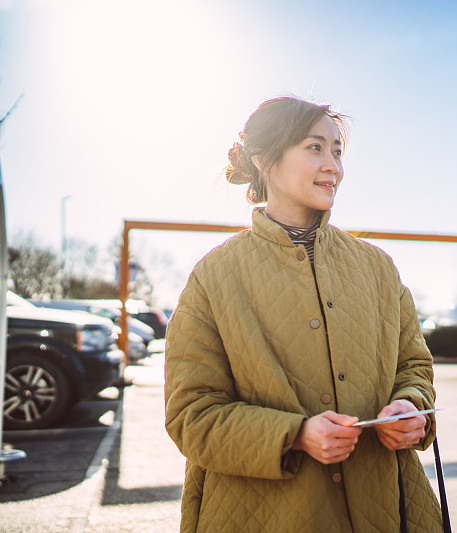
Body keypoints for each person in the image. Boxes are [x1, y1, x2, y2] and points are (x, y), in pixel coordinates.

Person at [164, 96, 443, 532]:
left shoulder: (377, 267)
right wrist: (294, 435)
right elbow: (191, 416)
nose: (333, 165)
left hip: (387, 506)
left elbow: (414, 366)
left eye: (337, 150)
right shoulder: (213, 276)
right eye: (315, 147)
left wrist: (411, 407)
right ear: (264, 160)